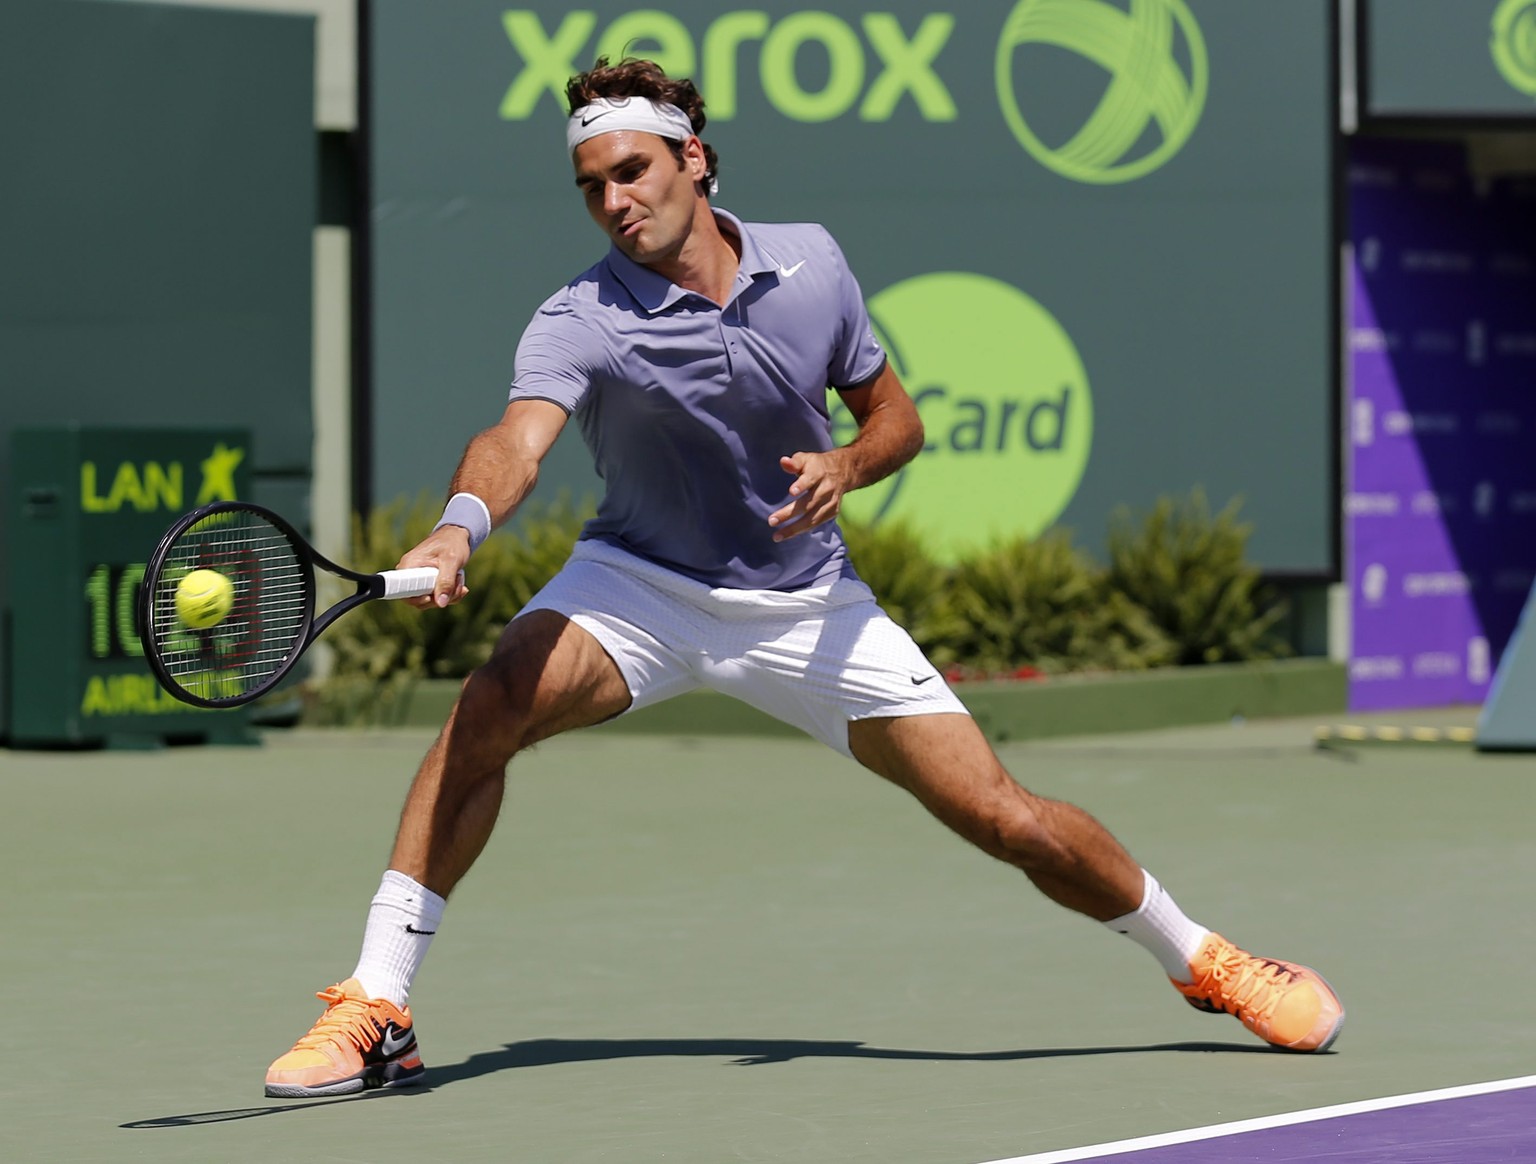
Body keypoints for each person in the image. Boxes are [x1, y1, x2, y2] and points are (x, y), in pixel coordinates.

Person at [263, 58, 1344, 1099]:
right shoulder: (580, 316)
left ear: (696, 159)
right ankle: (377, 1003)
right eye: (592, 187)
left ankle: (1204, 959)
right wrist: (458, 527)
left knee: (1004, 818)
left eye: (632, 171)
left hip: (809, 604)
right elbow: (517, 439)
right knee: (493, 699)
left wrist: (848, 465)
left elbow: (896, 418)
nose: (613, 202)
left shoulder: (813, 265)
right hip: (640, 587)